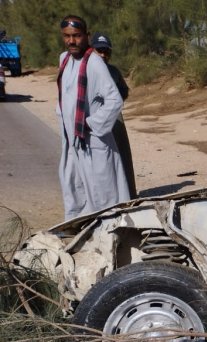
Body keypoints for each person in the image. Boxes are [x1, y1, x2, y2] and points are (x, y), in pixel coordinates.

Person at [57, 15, 130, 221]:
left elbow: (114, 100)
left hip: (92, 139)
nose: (72, 41)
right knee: (74, 183)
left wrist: (91, 124)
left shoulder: (94, 63)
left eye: (77, 36)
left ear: (86, 36)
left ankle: (107, 229)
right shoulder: (64, 60)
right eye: (67, 36)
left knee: (102, 190)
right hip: (72, 139)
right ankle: (78, 224)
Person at [91, 32, 136, 199]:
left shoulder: (114, 71)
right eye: (99, 50)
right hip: (93, 120)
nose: (103, 54)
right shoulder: (85, 70)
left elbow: (124, 91)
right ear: (92, 50)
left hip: (114, 119)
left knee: (122, 156)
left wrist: (111, 106)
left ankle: (129, 196)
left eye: (106, 51)